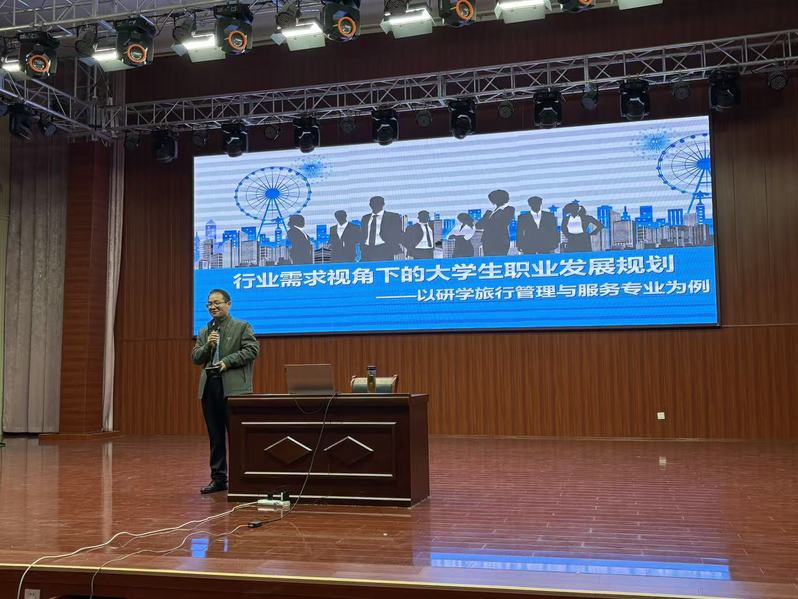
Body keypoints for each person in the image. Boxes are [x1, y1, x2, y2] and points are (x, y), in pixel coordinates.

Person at [191, 289, 259, 494]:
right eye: (209, 304)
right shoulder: (205, 331)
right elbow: (196, 357)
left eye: (217, 302)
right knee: (216, 436)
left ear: (228, 304)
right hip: (210, 387)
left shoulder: (242, 327)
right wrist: (208, 346)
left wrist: (227, 362)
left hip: (233, 388)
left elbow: (252, 350)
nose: (213, 307)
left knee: (237, 436)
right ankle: (219, 478)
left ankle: (242, 478)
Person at [360, 196, 404, 261]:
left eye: (378, 203)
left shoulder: (393, 217)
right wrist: (362, 247)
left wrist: (391, 245)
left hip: (384, 249)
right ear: (370, 205)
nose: (375, 205)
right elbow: (363, 233)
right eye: (373, 203)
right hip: (367, 250)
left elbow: (397, 233)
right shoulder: (365, 218)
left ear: (383, 204)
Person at [475, 189, 515, 256]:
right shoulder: (489, 212)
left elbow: (502, 223)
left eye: (492, 199)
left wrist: (486, 222)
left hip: (500, 241)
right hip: (487, 241)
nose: (491, 201)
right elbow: (478, 225)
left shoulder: (509, 209)